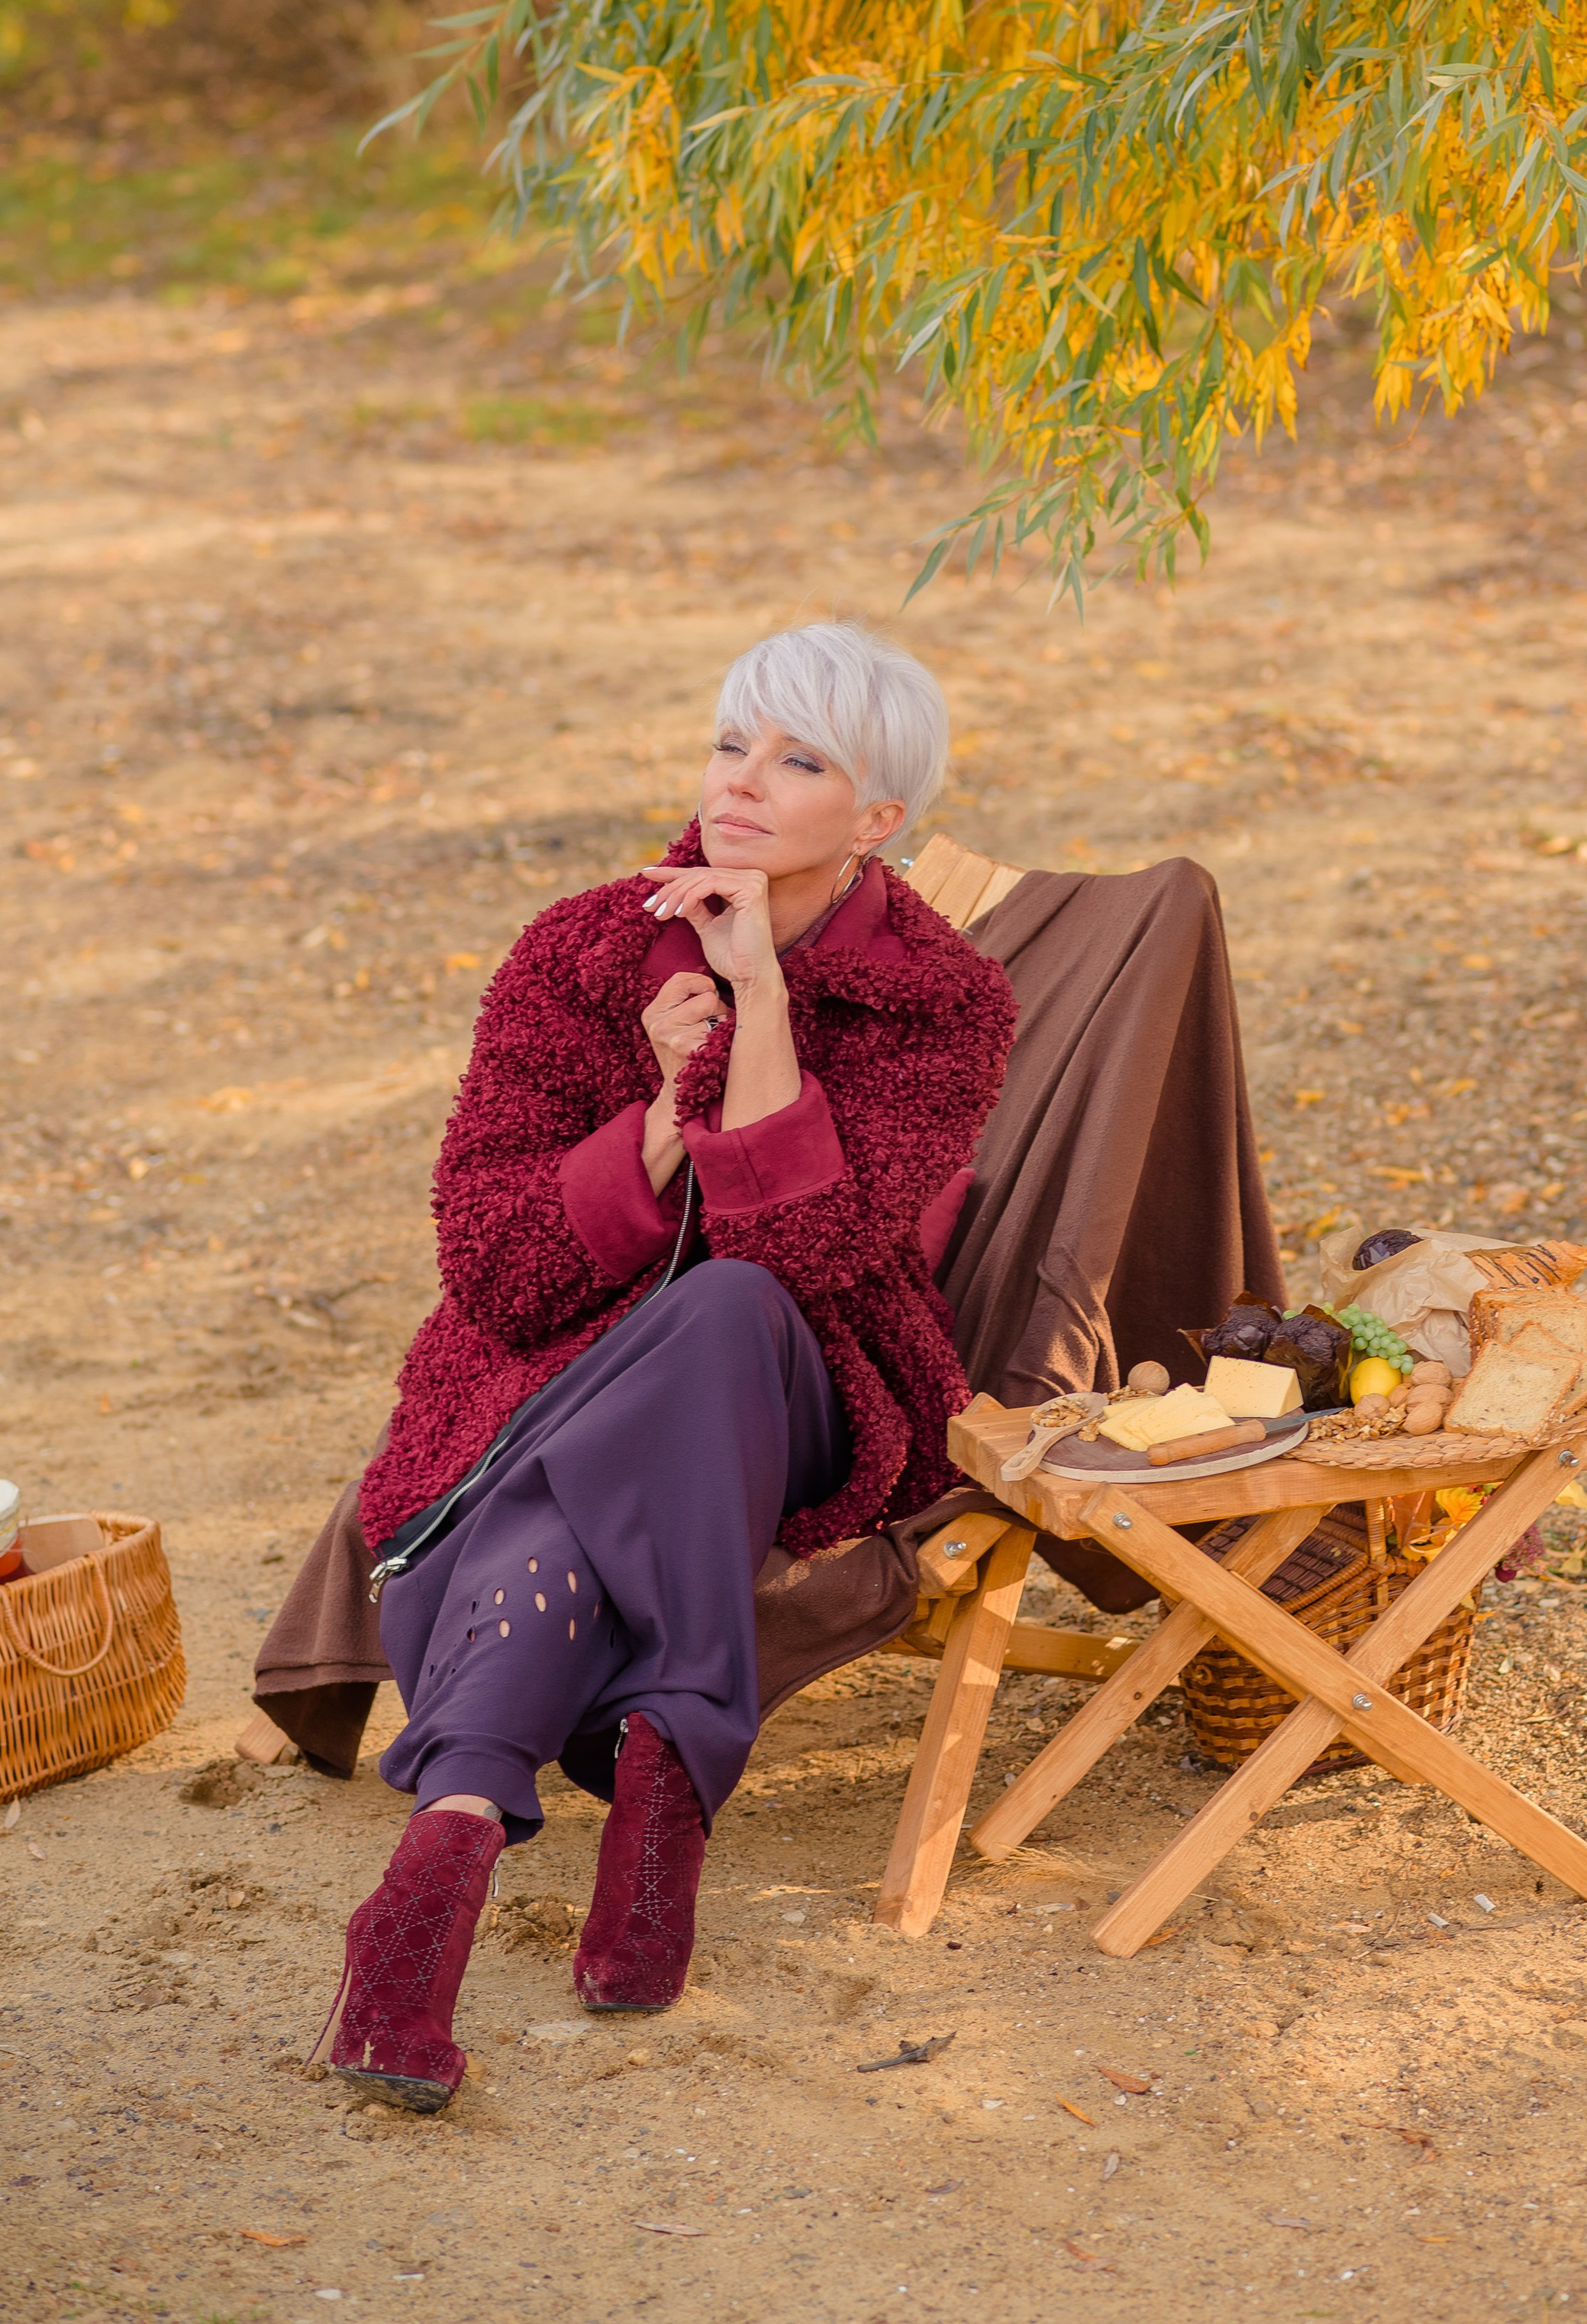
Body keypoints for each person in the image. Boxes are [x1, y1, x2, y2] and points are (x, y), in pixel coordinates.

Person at [319, 623, 1017, 2113]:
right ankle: (469, 1852)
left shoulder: (941, 1000)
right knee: (571, 1492)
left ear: (878, 818)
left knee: (723, 1315)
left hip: (804, 1377)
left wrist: (755, 1009)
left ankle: (537, 1807)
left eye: (799, 760)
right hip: (551, 1380)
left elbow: (813, 1248)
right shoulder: (579, 947)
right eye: (729, 745)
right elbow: (495, 1262)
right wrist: (650, 1113)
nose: (743, 783)